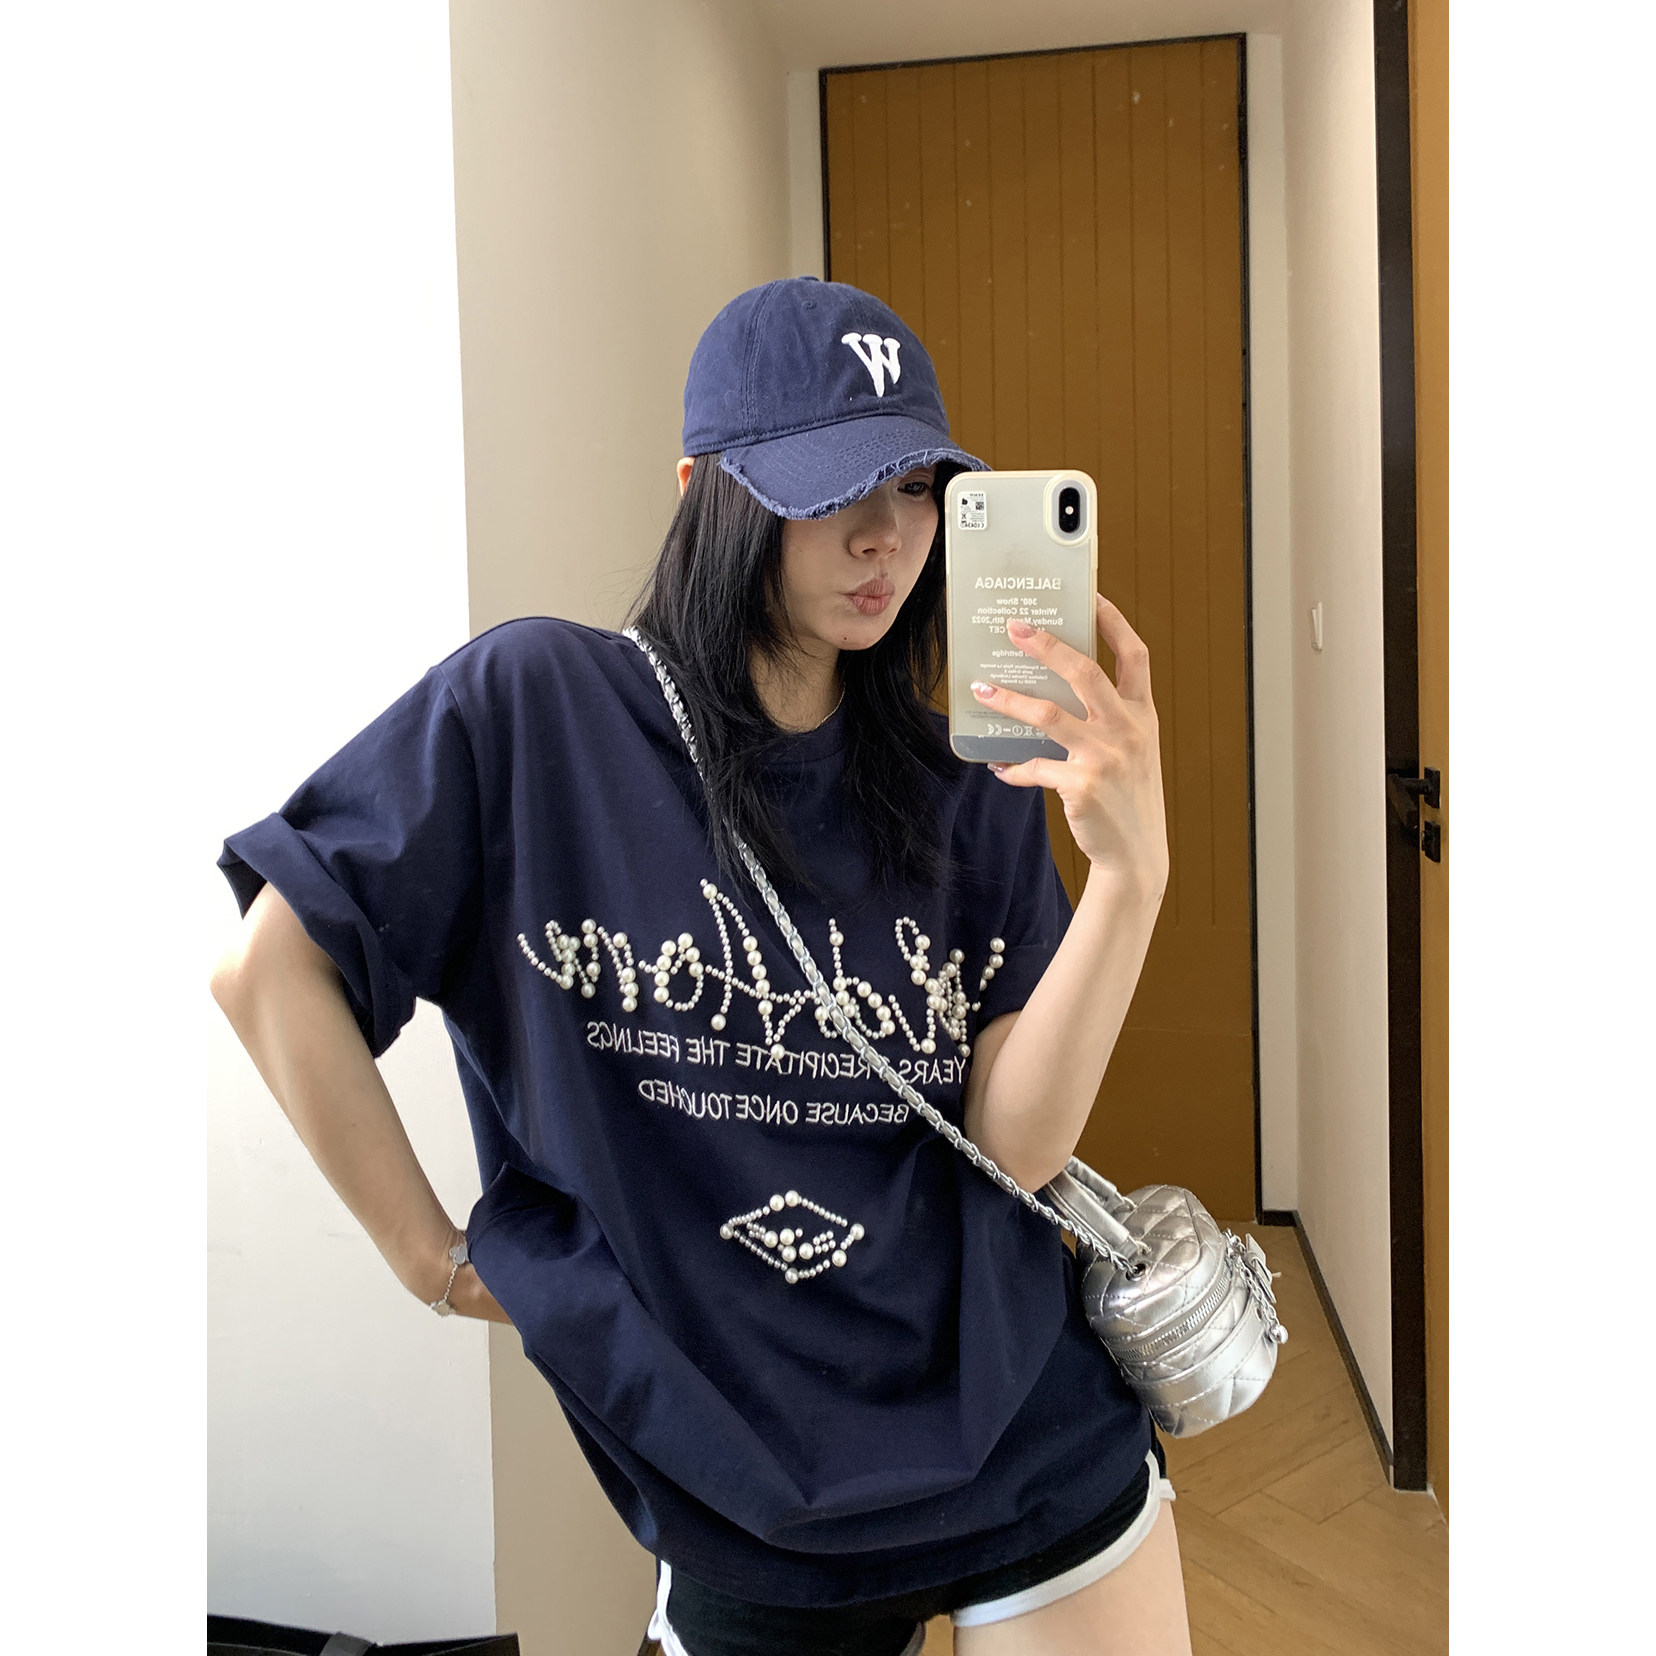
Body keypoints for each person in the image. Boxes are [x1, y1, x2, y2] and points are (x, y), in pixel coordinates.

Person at [211, 276, 1183, 1655]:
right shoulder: (541, 714)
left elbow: (1012, 1147)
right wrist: (435, 1260)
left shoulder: (963, 787)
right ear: (701, 492)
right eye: (828, 489)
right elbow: (269, 971)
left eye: (917, 488)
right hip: (743, 1484)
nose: (884, 536)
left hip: (1025, 1427)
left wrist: (1131, 883)